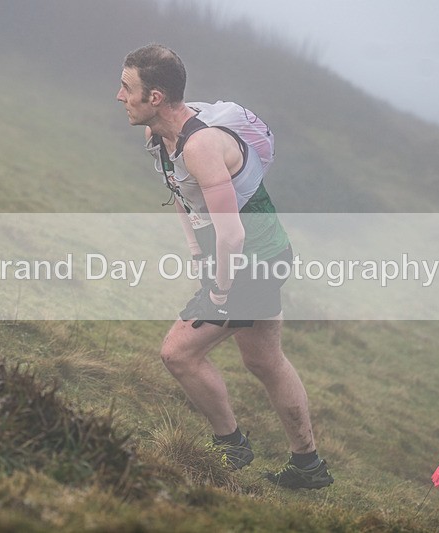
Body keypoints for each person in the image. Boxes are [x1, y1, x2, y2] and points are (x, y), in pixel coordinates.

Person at [116, 44, 333, 489]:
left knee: (179, 352)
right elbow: (181, 196)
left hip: (252, 262)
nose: (119, 96)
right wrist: (197, 254)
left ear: (155, 97)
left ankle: (230, 445)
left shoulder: (202, 145)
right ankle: (308, 466)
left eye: (127, 87)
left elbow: (232, 234)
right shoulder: (157, 136)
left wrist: (217, 290)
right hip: (256, 255)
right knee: (264, 359)